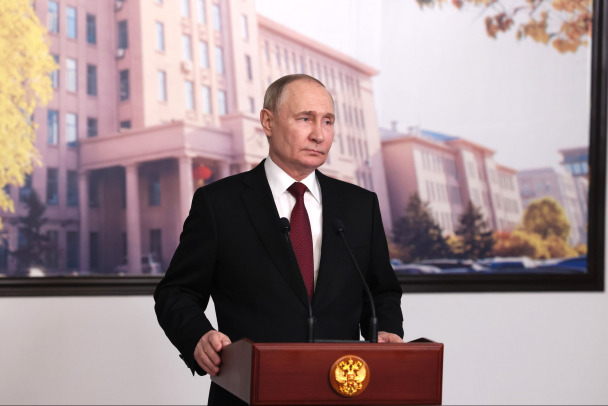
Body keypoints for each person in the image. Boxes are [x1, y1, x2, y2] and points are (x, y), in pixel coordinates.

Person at [154, 74, 404, 405]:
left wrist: (385, 329)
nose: (319, 134)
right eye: (305, 119)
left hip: (342, 391)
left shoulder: (360, 205)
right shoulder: (219, 204)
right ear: (268, 122)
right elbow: (177, 292)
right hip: (249, 394)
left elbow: (381, 291)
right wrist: (198, 336)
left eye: (328, 121)